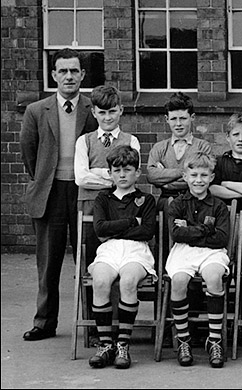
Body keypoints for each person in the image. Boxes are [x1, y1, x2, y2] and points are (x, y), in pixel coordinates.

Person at [20, 47, 98, 341]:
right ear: (53, 75)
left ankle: (93, 324)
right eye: (63, 71)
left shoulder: (93, 109)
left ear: (82, 75)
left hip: (83, 192)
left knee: (88, 259)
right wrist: (45, 179)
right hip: (50, 193)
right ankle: (44, 322)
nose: (69, 76)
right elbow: (29, 154)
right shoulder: (36, 111)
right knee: (48, 262)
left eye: (74, 70)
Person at [87, 145, 157, 369]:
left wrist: (113, 228)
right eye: (117, 170)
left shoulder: (146, 200)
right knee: (100, 281)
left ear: (137, 172)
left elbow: (147, 231)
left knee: (128, 281)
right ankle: (106, 344)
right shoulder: (103, 199)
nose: (122, 174)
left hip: (136, 250)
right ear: (110, 173)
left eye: (128, 170)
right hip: (109, 249)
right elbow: (100, 229)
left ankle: (123, 345)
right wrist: (130, 222)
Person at [165, 152, 231, 368]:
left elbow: (221, 237)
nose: (198, 180)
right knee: (179, 281)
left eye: (204, 175)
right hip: (183, 251)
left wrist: (191, 230)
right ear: (185, 176)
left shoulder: (219, 206)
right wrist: (205, 230)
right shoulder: (177, 203)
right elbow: (177, 234)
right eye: (193, 174)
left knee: (213, 277)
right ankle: (183, 339)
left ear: (212, 177)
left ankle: (214, 340)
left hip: (212, 252)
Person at [75, 85, 141, 266]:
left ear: (121, 110)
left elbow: (131, 176)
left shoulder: (131, 141)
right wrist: (112, 178)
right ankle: (90, 295)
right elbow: (81, 178)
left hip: (122, 204)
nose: (108, 117)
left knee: (122, 255)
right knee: (90, 255)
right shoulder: (84, 141)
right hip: (90, 203)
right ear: (94, 112)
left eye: (112, 111)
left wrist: (96, 171)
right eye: (102, 112)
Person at [147, 92, 213, 213]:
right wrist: (186, 172)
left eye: (183, 118)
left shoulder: (203, 147)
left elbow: (201, 178)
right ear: (167, 119)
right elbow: (151, 176)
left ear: (192, 117)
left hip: (194, 203)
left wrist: (165, 178)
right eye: (173, 119)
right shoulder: (159, 147)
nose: (178, 124)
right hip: (166, 202)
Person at [209, 113, 242, 213]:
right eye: (235, 134)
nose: (240, 139)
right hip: (223, 216)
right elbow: (213, 189)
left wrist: (225, 184)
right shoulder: (219, 162)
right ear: (228, 137)